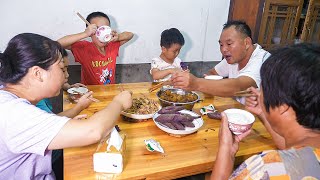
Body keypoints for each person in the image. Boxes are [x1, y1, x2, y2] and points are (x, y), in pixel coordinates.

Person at [0, 33, 132, 179]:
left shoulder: (9, 101)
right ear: (38, 73)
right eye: (62, 68)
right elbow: (93, 131)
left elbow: (46, 121)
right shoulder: (13, 113)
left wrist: (71, 119)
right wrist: (119, 102)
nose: (66, 76)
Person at [211, 43, 320, 179]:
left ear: (282, 107)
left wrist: (225, 150)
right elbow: (291, 148)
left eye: (263, 89)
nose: (259, 94)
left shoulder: (265, 168)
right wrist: (263, 113)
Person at [171, 21, 270, 104]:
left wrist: (196, 83)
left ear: (247, 43)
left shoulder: (263, 61)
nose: (224, 49)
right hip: (238, 110)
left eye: (229, 44)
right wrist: (206, 82)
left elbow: (238, 86)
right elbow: (212, 73)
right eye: (221, 45)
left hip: (263, 122)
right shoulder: (233, 58)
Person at [58, 11, 134, 85]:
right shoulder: (84, 49)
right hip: (89, 93)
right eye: (96, 29)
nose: (102, 34)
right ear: (90, 32)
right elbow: (58, 44)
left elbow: (130, 35)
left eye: (104, 29)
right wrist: (84, 34)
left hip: (110, 92)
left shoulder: (112, 45)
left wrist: (118, 37)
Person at [36, 49, 88, 114]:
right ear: (38, 73)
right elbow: (53, 122)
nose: (67, 75)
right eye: (62, 70)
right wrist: (80, 106)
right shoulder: (35, 103)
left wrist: (69, 87)